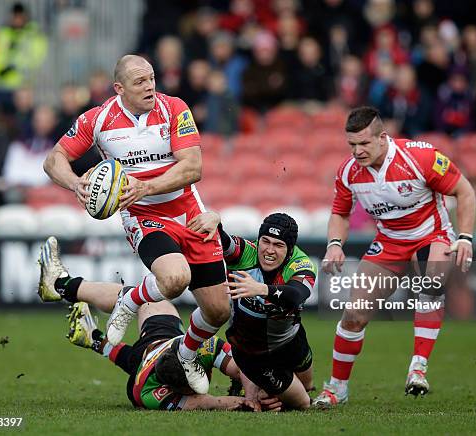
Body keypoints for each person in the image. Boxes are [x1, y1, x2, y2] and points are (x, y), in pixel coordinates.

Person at [42, 54, 230, 395]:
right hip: (144, 216)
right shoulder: (98, 120)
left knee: (218, 311)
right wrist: (75, 184)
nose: (150, 86)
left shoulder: (174, 108)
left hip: (190, 213)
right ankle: (131, 301)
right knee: (174, 279)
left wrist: (148, 185)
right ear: (119, 88)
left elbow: (193, 168)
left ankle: (182, 351)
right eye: (140, 81)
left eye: (152, 78)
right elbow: (54, 159)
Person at [313, 106, 476, 407]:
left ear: (383, 138)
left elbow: (465, 192)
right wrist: (334, 243)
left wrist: (464, 237)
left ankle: (418, 367)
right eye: (352, 145)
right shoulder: (348, 172)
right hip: (389, 242)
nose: (357, 151)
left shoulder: (420, 157)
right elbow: (339, 213)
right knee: (353, 315)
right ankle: (337, 388)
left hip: (432, 235)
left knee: (434, 279)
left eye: (364, 144)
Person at [37, 237, 267, 412]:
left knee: (139, 300)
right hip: (149, 359)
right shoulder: (156, 392)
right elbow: (210, 401)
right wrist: (255, 398)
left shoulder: (150, 390)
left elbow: (241, 370)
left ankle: (62, 286)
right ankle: (92, 335)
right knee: (138, 345)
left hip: (152, 351)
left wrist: (252, 394)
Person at [187, 211, 317, 410]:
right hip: (252, 351)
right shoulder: (244, 253)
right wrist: (215, 218)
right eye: (265, 241)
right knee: (303, 403)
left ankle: (266, 390)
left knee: (307, 387)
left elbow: (297, 294)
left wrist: (261, 289)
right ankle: (260, 387)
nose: (269, 250)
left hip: (291, 340)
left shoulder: (300, 264)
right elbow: (218, 237)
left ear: (290, 250)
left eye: (278, 245)